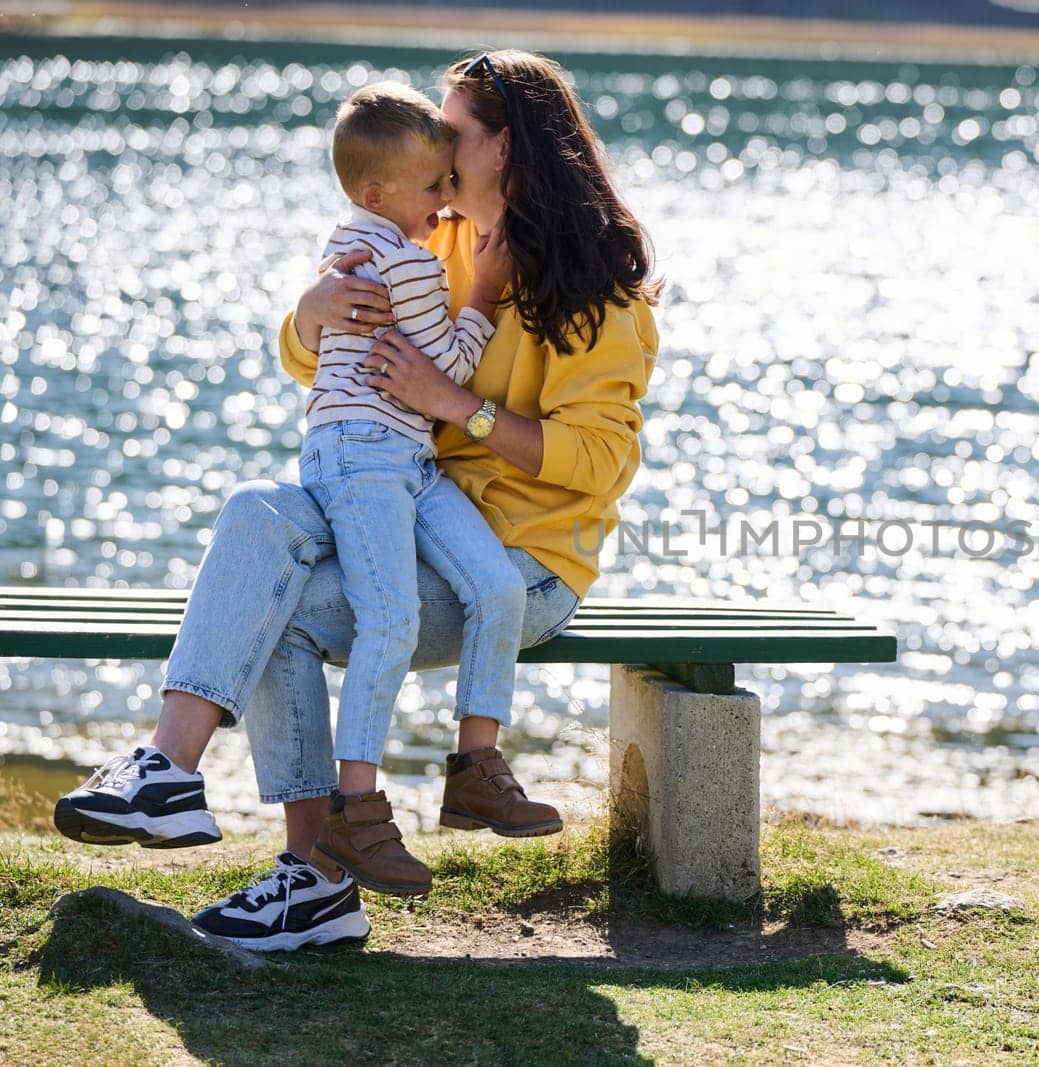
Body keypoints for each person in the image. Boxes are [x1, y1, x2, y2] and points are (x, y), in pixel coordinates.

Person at [53, 49, 661, 951]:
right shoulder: (431, 234)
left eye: (453, 132)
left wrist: (459, 405)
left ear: (510, 151)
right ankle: (166, 772)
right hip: (405, 500)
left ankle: (318, 880)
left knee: (284, 610)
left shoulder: (593, 294)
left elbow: (603, 463)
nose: (433, 141)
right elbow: (320, 358)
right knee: (257, 512)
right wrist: (311, 310)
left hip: (517, 564)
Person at [297, 81, 527, 898]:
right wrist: (484, 294)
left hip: (404, 459)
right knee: (389, 620)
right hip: (368, 460)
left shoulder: (346, 243)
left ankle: (473, 767)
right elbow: (450, 372)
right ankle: (354, 811)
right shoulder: (407, 262)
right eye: (433, 187)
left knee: (497, 584)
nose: (444, 201)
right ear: (377, 195)